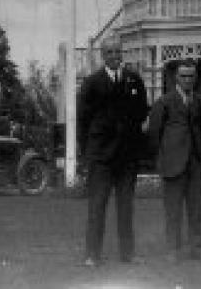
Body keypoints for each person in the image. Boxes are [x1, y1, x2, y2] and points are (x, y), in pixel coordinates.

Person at [77, 36, 149, 267]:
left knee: (126, 207)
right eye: (110, 52)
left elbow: (140, 115)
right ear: (103, 55)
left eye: (118, 52)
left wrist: (135, 148)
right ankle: (92, 254)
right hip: (101, 157)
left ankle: (128, 254)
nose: (115, 56)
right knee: (97, 206)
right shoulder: (91, 83)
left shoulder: (134, 80)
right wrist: (87, 154)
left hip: (127, 157)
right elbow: (83, 122)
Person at [148, 60, 201, 262]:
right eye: (183, 76)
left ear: (195, 78)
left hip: (195, 164)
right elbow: (154, 134)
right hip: (173, 163)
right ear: (176, 77)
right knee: (173, 210)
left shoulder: (199, 102)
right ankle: (172, 250)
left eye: (191, 76)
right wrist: (161, 161)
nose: (187, 80)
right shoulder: (164, 102)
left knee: (196, 209)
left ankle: (197, 248)